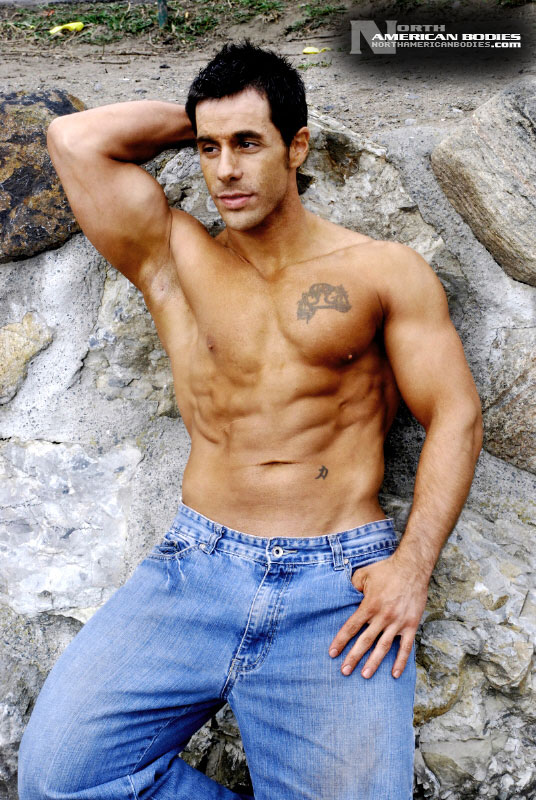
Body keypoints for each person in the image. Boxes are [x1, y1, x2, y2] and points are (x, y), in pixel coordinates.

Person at [17, 42, 482, 800]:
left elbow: (455, 413)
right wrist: (207, 118)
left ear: (297, 146)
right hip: (195, 568)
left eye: (248, 144)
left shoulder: (382, 270)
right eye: (209, 149)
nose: (225, 170)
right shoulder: (175, 256)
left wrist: (412, 568)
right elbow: (75, 139)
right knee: (59, 778)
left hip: (337, 588)